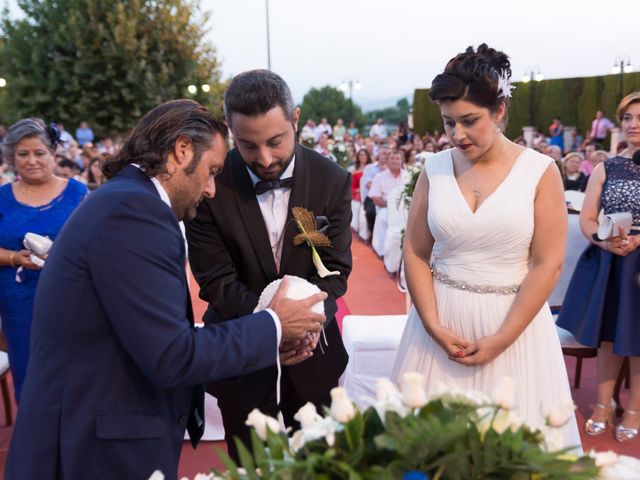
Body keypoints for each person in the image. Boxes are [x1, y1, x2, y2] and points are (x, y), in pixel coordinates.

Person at [5, 99, 328, 479]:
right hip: (93, 450)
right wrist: (273, 324)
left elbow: (150, 342)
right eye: (210, 171)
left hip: (98, 431)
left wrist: (268, 347)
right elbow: (171, 355)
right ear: (181, 150)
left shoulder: (127, 201)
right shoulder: (135, 212)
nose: (211, 189)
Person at [391, 44, 581, 449]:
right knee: (431, 453)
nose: (456, 135)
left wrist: (502, 338)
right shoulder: (434, 168)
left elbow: (548, 264)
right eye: (447, 123)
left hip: (514, 329)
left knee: (514, 453)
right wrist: (432, 325)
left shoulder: (540, 172)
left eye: (469, 121)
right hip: (438, 328)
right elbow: (415, 252)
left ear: (499, 111)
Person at [185, 70, 352, 462]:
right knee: (251, 466)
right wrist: (274, 329)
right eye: (247, 145)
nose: (264, 159)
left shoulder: (331, 180)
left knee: (320, 467)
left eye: (276, 142)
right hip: (241, 357)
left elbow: (333, 271)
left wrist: (304, 326)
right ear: (230, 131)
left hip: (315, 355)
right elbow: (216, 282)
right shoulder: (210, 186)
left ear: (295, 120)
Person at [557, 92, 640, 443]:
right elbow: (588, 217)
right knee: (608, 337)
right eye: (628, 118)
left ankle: (634, 407)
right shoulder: (605, 167)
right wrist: (603, 240)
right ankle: (603, 405)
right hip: (610, 259)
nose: (634, 124)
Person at [0, 119, 88, 402]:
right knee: (29, 375)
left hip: (71, 300)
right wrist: (14, 257)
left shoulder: (78, 193)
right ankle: (36, 441)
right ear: (12, 157)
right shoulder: (2, 198)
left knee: (74, 374)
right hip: (19, 303)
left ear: (53, 154)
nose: (31, 160)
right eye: (22, 154)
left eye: (39, 152)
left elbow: (97, 243)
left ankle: (75, 441)